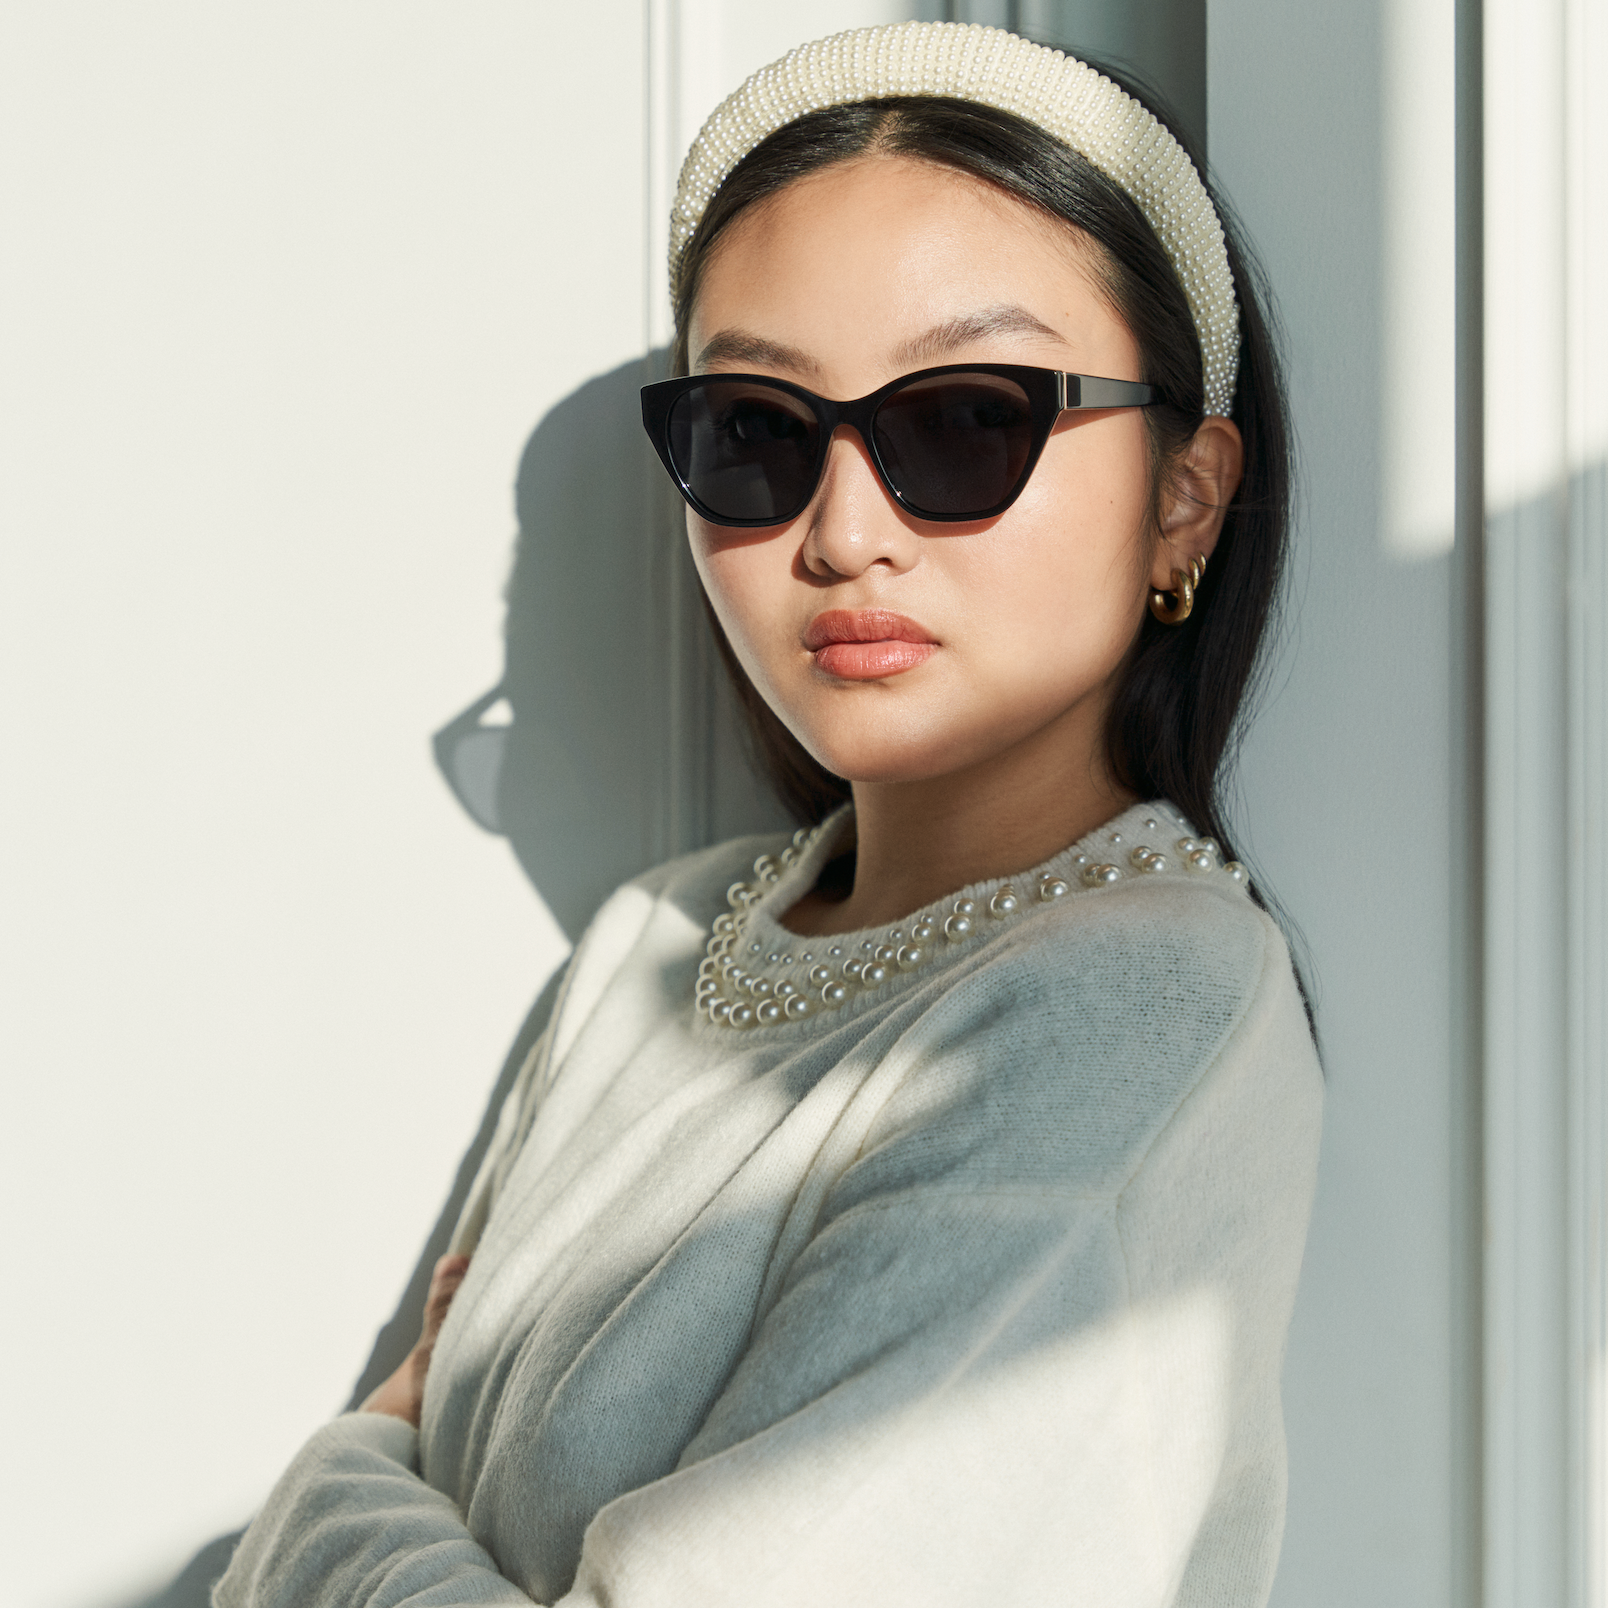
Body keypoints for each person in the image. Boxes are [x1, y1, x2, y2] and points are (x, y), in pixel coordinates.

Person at [213, 21, 1321, 1608]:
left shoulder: (1145, 999)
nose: (844, 533)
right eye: (756, 431)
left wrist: (339, 1477)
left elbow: (363, 1476)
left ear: (1185, 493)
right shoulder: (657, 939)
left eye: (968, 417)